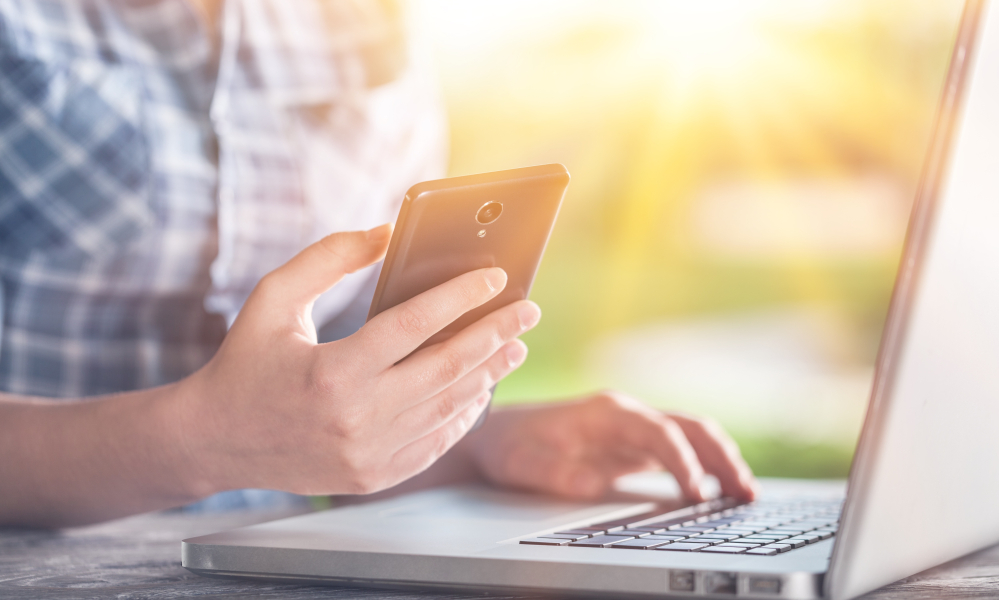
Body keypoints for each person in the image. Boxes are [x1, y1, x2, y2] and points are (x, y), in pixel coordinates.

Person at [0, 0, 757, 528]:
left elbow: (320, 409)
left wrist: (470, 439)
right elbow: (255, 433)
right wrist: (203, 441)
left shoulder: (374, 20)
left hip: (276, 565)